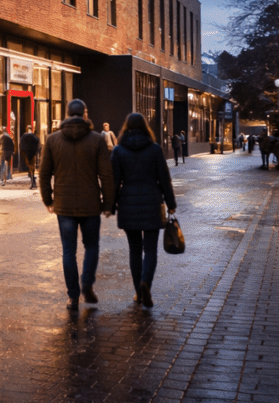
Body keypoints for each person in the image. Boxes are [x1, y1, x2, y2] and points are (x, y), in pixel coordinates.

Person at [39, 99, 115, 312]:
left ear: (66, 114)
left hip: (63, 205)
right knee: (91, 246)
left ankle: (73, 296)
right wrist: (108, 202)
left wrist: (48, 199)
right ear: (84, 115)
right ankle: (87, 283)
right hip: (90, 205)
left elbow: (44, 174)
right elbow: (106, 174)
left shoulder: (52, 140)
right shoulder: (97, 140)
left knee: (68, 251)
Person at [111, 112, 176, 309]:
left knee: (134, 250)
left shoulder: (119, 150)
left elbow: (114, 182)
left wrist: (111, 205)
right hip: (152, 202)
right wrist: (171, 203)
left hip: (128, 204)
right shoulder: (155, 149)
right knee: (150, 249)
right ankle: (146, 283)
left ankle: (138, 293)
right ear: (145, 127)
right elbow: (164, 179)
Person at [20, 124, 41, 189]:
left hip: (27, 153)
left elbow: (21, 146)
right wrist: (37, 152)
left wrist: (23, 154)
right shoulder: (34, 136)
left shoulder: (24, 136)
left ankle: (33, 181)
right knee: (32, 167)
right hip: (32, 153)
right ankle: (33, 181)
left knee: (30, 167)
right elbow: (38, 145)